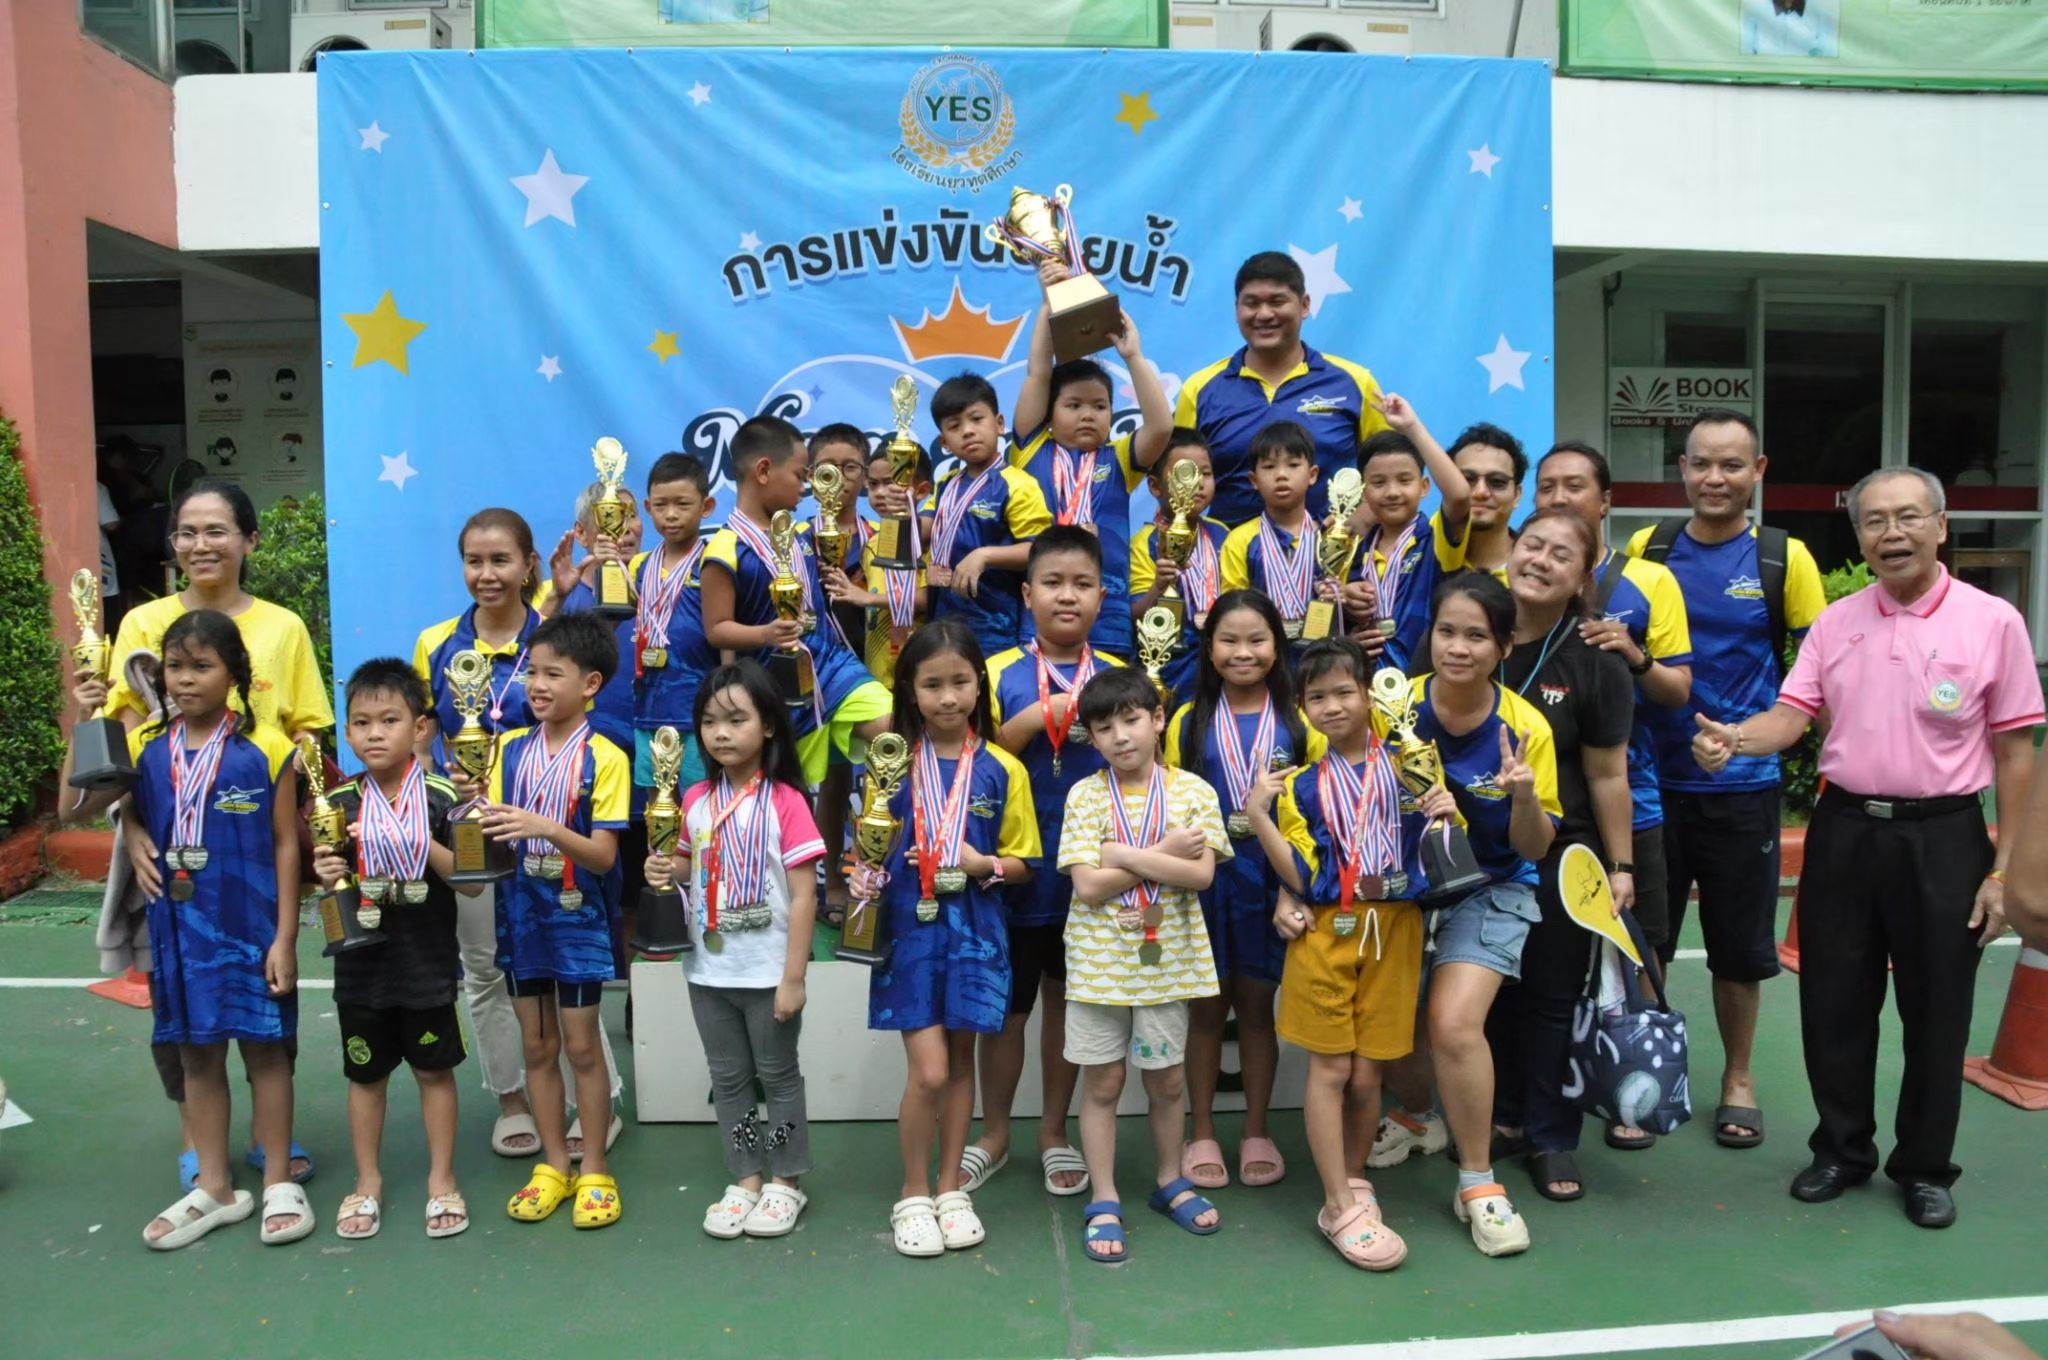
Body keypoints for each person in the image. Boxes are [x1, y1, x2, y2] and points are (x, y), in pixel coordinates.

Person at [1691, 467, 2039, 1229]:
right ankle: (1842, 1151)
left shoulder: (1993, 622)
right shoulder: (1837, 623)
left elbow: (2016, 753)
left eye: (1908, 517)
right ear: (1859, 537)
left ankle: (1925, 1167)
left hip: (1946, 837)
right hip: (1844, 832)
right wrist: (1734, 739)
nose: (1892, 533)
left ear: (1940, 526)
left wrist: (2003, 870)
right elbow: (1791, 716)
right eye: (1874, 521)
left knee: (1938, 1011)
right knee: (1834, 1002)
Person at [94, 478, 330, 1192]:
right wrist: (131, 825)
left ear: (249, 540)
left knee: (265, 998)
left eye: (217, 530)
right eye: (187, 532)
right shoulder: (143, 623)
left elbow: (307, 730)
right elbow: (121, 737)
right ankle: (200, 1146)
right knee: (181, 1003)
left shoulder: (282, 627)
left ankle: (267, 1137)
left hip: (252, 841)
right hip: (160, 839)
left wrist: (298, 806)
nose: (201, 544)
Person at [64, 610, 311, 1249]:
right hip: (179, 930)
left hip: (252, 927)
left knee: (266, 1051)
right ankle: (216, 1187)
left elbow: (287, 843)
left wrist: (285, 937)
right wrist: (87, 720)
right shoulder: (143, 744)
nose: (186, 679)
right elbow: (79, 806)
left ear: (234, 675)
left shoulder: (268, 747)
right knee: (196, 1052)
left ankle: (278, 1180)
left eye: (202, 666)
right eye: (175, 666)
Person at [1626, 409, 1825, 1150]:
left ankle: (1738, 1078)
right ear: (1682, 469)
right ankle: (1645, 1078)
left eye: (1732, 465)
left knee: (1740, 948)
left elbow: (1814, 675)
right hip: (1651, 787)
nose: (1716, 478)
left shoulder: (1783, 559)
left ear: (1758, 471)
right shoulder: (1649, 549)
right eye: (1702, 464)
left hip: (1744, 786)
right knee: (1646, 942)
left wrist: (1743, 741)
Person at [414, 508, 621, 1164]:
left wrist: (558, 593)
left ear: (528, 564)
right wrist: (440, 785)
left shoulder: (551, 636)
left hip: (558, 842)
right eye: (473, 561)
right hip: (480, 825)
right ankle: (512, 1101)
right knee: (485, 966)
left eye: (501, 560)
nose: (486, 573)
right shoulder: (436, 643)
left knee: (571, 971)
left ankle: (597, 1103)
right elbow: (425, 736)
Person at [1254, 637, 1448, 1271]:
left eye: (1345, 692)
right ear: (1303, 708)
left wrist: (1446, 811)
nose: (1332, 706)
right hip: (1327, 932)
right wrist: (1259, 816)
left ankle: (1355, 1176)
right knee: (1331, 1071)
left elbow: (1445, 847)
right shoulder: (1302, 786)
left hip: (1397, 929)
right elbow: (1300, 873)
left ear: (1370, 696)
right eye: (1317, 697)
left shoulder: (1412, 762)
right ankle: (1337, 1203)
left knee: (1368, 1076)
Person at [860, 621, 1039, 1258]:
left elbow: (1024, 861)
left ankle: (949, 1189)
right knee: (930, 1071)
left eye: (960, 682)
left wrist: (982, 862)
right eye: (931, 684)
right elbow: (868, 846)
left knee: (962, 1063)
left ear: (979, 686)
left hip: (977, 935)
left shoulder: (1003, 768)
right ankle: (913, 1191)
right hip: (910, 932)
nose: (947, 697)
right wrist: (863, 871)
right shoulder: (888, 761)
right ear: (909, 689)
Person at [1534, 442, 1693, 1151]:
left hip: (1633, 802)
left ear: (1605, 502)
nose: (1559, 497)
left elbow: (1677, 690)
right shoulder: (1511, 591)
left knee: (1634, 953)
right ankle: (1541, 1100)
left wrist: (1633, 654)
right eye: (1547, 487)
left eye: (1575, 486)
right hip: (1543, 820)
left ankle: (1636, 1084)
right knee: (1545, 973)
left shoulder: (1649, 581)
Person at [1484, 512, 1637, 1201]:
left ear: (1582, 578)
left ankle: (1550, 1136)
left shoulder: (1596, 658)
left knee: (1550, 998)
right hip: (1476, 852)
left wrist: (1621, 867)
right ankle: (1504, 1118)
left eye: (1562, 555)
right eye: (1533, 545)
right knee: (1489, 995)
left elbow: (1607, 774)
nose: (1541, 560)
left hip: (1560, 852)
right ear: (1512, 551)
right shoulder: (1471, 628)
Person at [1409, 572, 1561, 1256]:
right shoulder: (1390, 705)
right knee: (1391, 1032)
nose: (1458, 647)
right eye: (1447, 631)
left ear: (1504, 647)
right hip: (1400, 889)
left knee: (1452, 1022)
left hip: (1493, 887)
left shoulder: (1526, 728)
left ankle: (1477, 1181)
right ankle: (1418, 1119)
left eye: (1476, 636)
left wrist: (1523, 796)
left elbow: (1535, 847)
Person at [644, 661, 823, 1239]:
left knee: (779, 1077)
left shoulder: (787, 801)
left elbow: (803, 896)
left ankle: (786, 1180)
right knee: (728, 1080)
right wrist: (663, 867)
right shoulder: (694, 797)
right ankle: (747, 1176)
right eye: (709, 721)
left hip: (768, 972)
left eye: (736, 719)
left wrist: (794, 978)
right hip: (708, 969)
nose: (720, 733)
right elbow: (688, 865)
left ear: (768, 725)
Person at [1058, 665, 1230, 1262]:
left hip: (1166, 963)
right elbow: (1087, 887)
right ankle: (1104, 1196)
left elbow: (1200, 875)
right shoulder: (1085, 796)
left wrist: (1120, 854)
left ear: (1158, 719)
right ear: (1092, 737)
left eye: (1131, 720)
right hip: (1097, 966)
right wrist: (1161, 852)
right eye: (1104, 728)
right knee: (1103, 1082)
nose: (1121, 736)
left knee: (1167, 1081)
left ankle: (1168, 1179)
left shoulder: (1194, 793)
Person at [974, 527, 1122, 1199]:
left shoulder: (1118, 675)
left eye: (1082, 584)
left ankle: (1055, 1132)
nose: (1068, 596)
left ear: (1102, 597)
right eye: (1053, 583)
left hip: (1088, 874)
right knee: (1008, 1011)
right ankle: (994, 1133)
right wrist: (1034, 718)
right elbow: (973, 762)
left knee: (1068, 1006)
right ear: (1027, 593)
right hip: (1014, 871)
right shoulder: (996, 671)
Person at [1166, 590, 1326, 1191]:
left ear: (1277, 647)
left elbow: (1318, 811)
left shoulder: (1300, 722)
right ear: (1208, 649)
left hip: (1272, 879)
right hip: (1207, 879)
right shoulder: (1187, 720)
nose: (1243, 652)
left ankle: (1257, 1128)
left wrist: (1294, 888)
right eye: (1228, 640)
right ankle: (1202, 1130)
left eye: (1257, 640)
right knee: (1206, 1011)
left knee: (1258, 1008)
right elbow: (1169, 802)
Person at [310, 660, 472, 1241]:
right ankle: (368, 1181)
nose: (374, 733)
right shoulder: (335, 802)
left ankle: (441, 1178)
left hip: (426, 963)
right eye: (361, 722)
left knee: (434, 1072)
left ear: (419, 727)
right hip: (361, 966)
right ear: (347, 732)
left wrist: (417, 840)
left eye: (389, 720)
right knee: (366, 1076)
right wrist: (324, 871)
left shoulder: (443, 796)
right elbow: (328, 882)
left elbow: (471, 883)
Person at [481, 611, 631, 1230]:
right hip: (520, 915)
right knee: (537, 1047)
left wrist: (544, 826)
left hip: (577, 919)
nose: (537, 685)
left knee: (581, 1047)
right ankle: (553, 1165)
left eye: (553, 674)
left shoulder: (607, 757)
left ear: (590, 683)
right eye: (532, 673)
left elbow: (603, 856)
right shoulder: (506, 749)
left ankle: (593, 1166)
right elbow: (490, 835)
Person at [700, 416, 893, 786]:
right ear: (763, 471)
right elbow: (717, 629)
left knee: (896, 731)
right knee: (785, 798)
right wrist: (765, 634)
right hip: (774, 688)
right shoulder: (725, 549)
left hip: (832, 669)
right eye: (799, 475)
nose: (805, 487)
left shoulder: (798, 537)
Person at [1009, 289, 1172, 660]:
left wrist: (1133, 357)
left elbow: (1161, 427)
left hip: (1108, 621)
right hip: (1041, 620)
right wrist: (1049, 303)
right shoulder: (1031, 449)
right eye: (1073, 405)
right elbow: (1038, 373)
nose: (1087, 414)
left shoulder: (1120, 459)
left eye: (1100, 406)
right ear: (1049, 414)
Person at [1176, 250, 1391, 525]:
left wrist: (1359, 521)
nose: (1264, 314)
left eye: (1277, 301)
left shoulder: (1355, 382)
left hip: (1330, 551)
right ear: (1237, 309)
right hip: (1226, 551)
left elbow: (1392, 470)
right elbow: (1177, 480)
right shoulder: (1199, 389)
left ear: (1304, 305)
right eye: (1251, 303)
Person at [921, 374, 1054, 662]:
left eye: (976, 419)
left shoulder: (1018, 484)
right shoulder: (945, 484)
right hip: (942, 625)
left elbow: (1039, 550)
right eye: (955, 426)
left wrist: (984, 556)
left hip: (997, 629)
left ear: (999, 423)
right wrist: (902, 504)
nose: (968, 431)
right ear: (944, 442)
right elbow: (922, 531)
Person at [1340, 401, 1473, 674]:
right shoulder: (1356, 550)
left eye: (1404, 480)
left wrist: (1412, 427)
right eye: (1379, 483)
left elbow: (1460, 495)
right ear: (1364, 492)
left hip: (1425, 681)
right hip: (1368, 683)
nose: (1392, 492)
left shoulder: (1435, 539)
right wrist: (1348, 611)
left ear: (1424, 487)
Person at [806, 424, 875, 928]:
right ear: (810, 476)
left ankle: (874, 882)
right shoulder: (793, 540)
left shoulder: (883, 537)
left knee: (881, 781)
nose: (840, 478)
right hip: (815, 678)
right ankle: (830, 882)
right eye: (828, 469)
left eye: (851, 467)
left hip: (875, 669)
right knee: (831, 784)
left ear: (866, 476)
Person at [628, 454, 718, 791]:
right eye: (661, 505)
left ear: (706, 506)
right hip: (649, 707)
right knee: (658, 806)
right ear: (648, 507)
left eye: (682, 504)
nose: (670, 514)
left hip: (702, 711)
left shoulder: (714, 562)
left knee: (703, 802)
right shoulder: (638, 568)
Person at [1130, 431, 1229, 707]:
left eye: (1205, 473)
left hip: (1221, 662)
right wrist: (1158, 587)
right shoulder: (1144, 543)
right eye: (1185, 474)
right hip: (1169, 666)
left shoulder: (1224, 534)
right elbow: (1136, 615)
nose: (1197, 483)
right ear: (1155, 486)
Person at [1218, 421, 1324, 646]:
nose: (1281, 475)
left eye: (1293, 465)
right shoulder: (1239, 541)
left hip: (1321, 655)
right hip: (1260, 654)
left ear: (1312, 474)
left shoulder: (1330, 539)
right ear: (1254, 480)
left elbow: (1343, 600)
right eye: (1269, 467)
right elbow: (1233, 607)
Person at [1448, 423, 1526, 580]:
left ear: (1517, 495)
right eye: (1467, 480)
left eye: (1497, 481)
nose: (1480, 492)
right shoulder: (1423, 563)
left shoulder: (1535, 567)